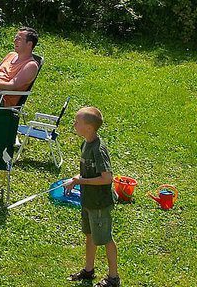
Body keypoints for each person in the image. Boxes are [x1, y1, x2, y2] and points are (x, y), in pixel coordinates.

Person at [65, 106, 120, 287]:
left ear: (88, 128)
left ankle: (113, 278)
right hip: (88, 200)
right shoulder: (86, 143)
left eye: (77, 122)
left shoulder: (98, 149)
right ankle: (88, 271)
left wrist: (82, 182)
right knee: (90, 235)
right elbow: (88, 173)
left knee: (105, 239)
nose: (74, 124)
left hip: (99, 203)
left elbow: (107, 178)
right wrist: (76, 180)